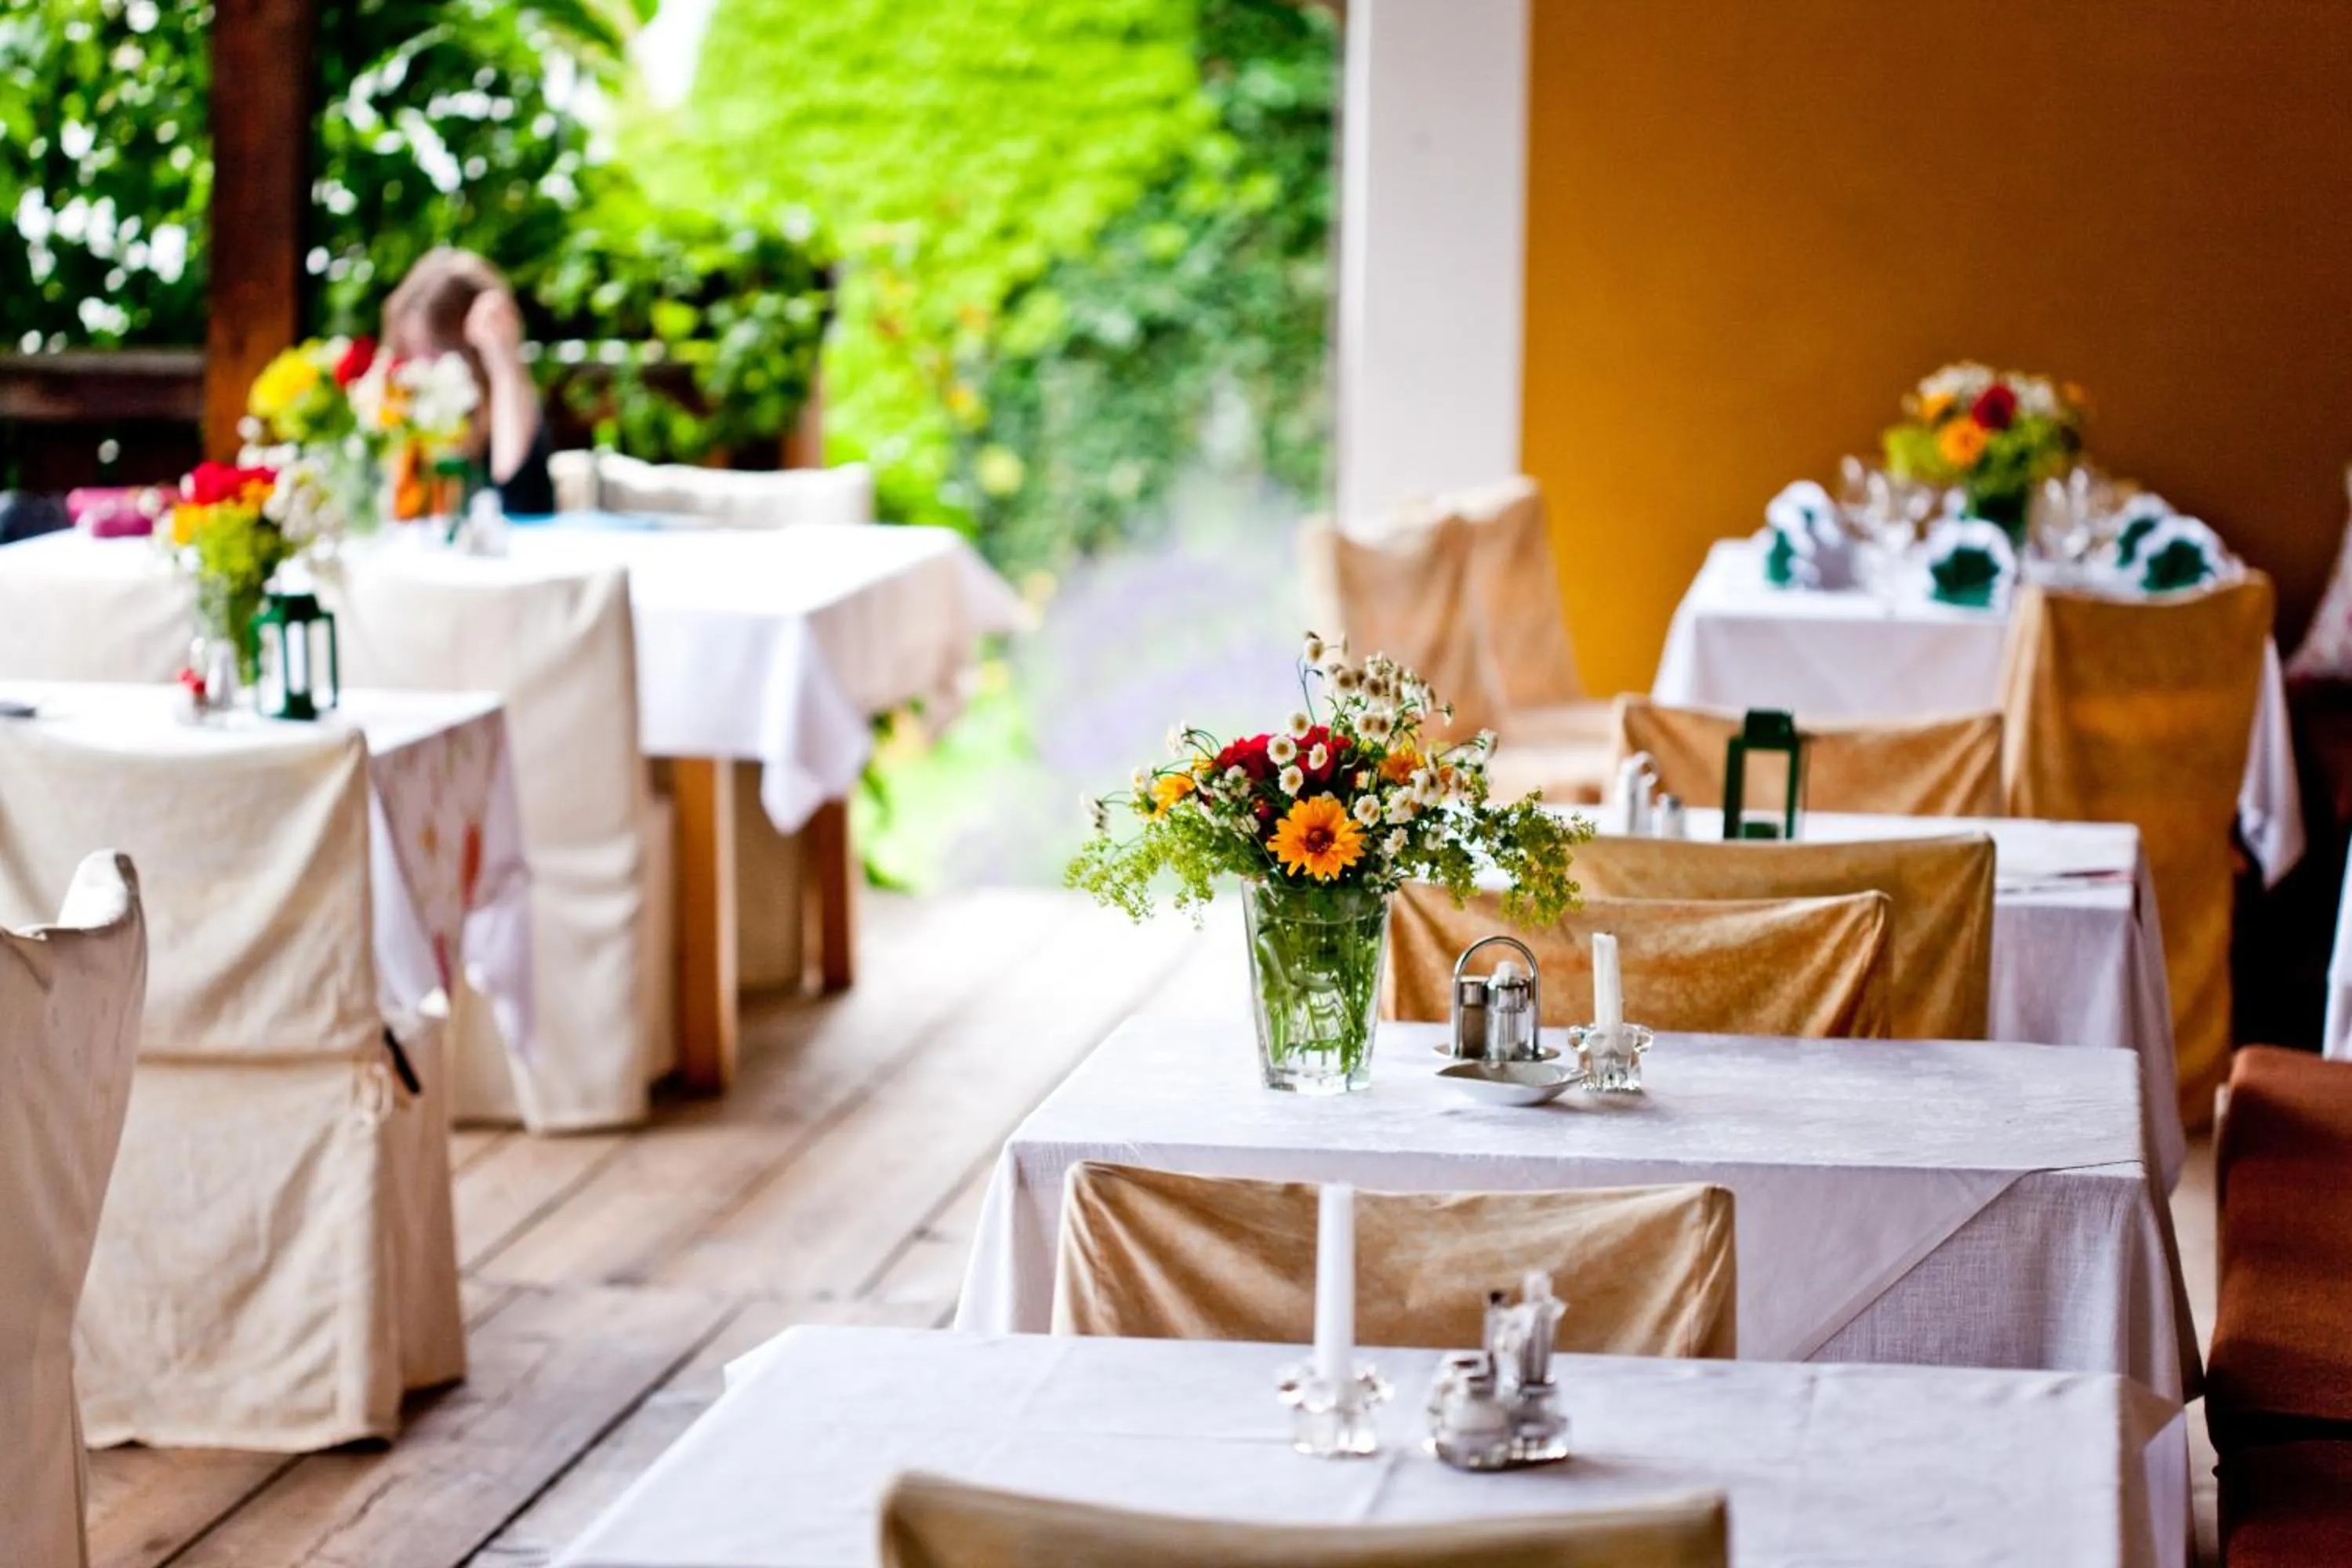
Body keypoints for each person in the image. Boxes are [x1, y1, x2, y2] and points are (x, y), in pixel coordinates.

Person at [380, 248, 557, 515]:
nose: (418, 369)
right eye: (410, 353)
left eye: (432, 353)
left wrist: (505, 365)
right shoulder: (402, 419)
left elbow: (522, 501)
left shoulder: (506, 413)